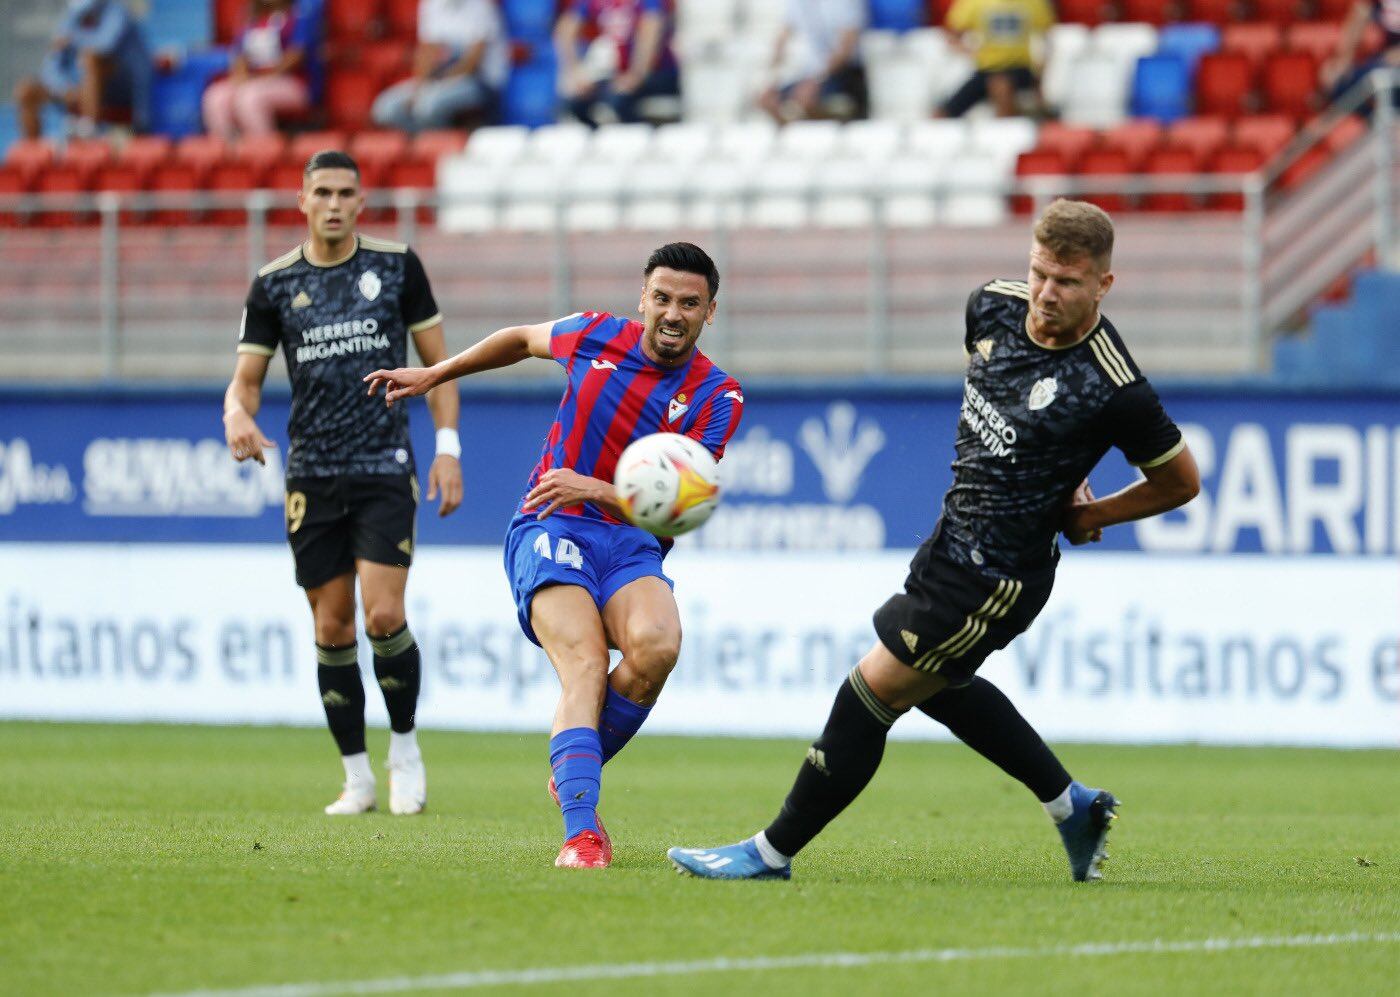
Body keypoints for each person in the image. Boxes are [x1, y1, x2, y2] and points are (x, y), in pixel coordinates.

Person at [668, 200, 1200, 884]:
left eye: (1066, 282)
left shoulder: (1114, 385)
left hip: (998, 575)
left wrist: (1091, 514)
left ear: (1103, 284)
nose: (1045, 293)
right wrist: (1061, 472)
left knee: (870, 689)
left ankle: (769, 852)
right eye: (1038, 272)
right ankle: (1074, 806)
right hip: (951, 539)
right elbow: (1017, 413)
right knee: (939, 684)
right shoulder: (990, 306)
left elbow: (1180, 481)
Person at [365, 243, 744, 869]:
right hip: (551, 522)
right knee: (586, 663)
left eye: (689, 303)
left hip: (628, 541)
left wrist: (596, 487)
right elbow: (518, 339)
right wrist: (438, 374)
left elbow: (684, 501)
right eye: (662, 298)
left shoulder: (717, 395)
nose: (673, 313)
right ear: (642, 298)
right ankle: (583, 834)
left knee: (658, 648)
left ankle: (576, 761)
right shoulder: (595, 334)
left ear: (711, 312)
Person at [223, 150, 463, 817]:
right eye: (321, 191)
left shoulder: (395, 266)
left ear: (362, 202)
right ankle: (356, 775)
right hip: (312, 472)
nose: (333, 203)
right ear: (301, 200)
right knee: (332, 626)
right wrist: (235, 413)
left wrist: (448, 449)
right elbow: (245, 382)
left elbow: (438, 367)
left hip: (385, 465)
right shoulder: (272, 284)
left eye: (345, 192)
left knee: (384, 614)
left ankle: (405, 748)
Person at [13, 0, 151, 140]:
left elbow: (104, 46)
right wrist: (64, 88)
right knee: (27, 90)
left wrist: (72, 38)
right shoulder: (72, 17)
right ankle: (33, 150)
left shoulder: (117, 12)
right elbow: (51, 67)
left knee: (91, 59)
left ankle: (89, 131)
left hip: (120, 92)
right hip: (78, 90)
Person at [371, 0, 508, 132]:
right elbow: (427, 51)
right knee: (386, 108)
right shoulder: (432, 3)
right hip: (440, 80)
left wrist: (440, 85)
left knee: (428, 106)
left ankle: (440, 146)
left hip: (479, 82)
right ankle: (422, 147)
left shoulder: (481, 6)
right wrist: (418, 87)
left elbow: (473, 60)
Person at [554, 0, 680, 127]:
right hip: (618, 76)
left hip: (658, 73)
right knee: (575, 104)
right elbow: (565, 29)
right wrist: (577, 73)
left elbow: (652, 27)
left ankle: (640, 139)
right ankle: (601, 139)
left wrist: (636, 74)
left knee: (617, 101)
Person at [202, 0, 312, 140]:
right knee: (216, 97)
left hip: (291, 83)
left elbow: (296, 55)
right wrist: (241, 76)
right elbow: (240, 55)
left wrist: (266, 76)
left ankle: (264, 152)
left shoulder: (298, 17)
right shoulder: (251, 20)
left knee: (249, 98)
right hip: (254, 81)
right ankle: (229, 153)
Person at [938, 0, 1054, 118]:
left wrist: (1040, 77)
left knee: (1000, 85)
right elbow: (952, 35)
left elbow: (1048, 38)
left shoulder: (1034, 3)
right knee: (942, 114)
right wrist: (971, 52)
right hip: (986, 71)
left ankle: (1006, 130)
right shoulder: (973, 2)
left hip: (1020, 70)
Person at [757, 0, 867, 124]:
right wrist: (771, 81)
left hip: (847, 74)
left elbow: (846, 49)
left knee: (805, 99)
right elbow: (781, 43)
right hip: (814, 76)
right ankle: (800, 135)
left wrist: (815, 81)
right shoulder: (797, 3)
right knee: (768, 100)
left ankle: (822, 134)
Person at [1321, 0, 1400, 110]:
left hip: (1391, 61)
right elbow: (1359, 14)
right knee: (1341, 84)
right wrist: (1343, 59)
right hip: (1384, 60)